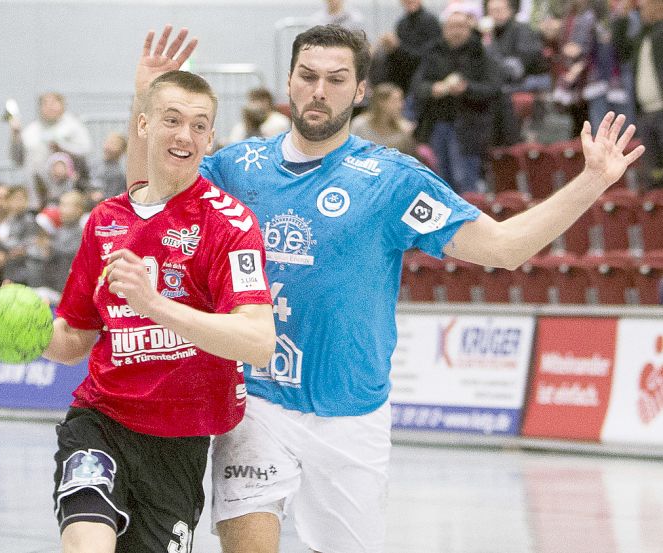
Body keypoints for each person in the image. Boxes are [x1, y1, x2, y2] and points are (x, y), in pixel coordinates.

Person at [128, 25, 643, 553]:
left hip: (353, 415)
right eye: (307, 76)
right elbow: (146, 197)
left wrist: (593, 180)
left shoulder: (392, 180)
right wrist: (143, 103)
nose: (318, 90)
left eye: (335, 79)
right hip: (257, 402)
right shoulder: (239, 167)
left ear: (359, 91)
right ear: (289, 82)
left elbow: (506, 247)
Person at [41, 69, 275, 553]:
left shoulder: (229, 224)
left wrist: (155, 306)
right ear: (143, 125)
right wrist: (27, 333)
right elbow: (74, 340)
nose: (185, 135)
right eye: (172, 120)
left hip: (179, 441)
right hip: (100, 420)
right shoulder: (106, 221)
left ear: (210, 138)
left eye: (198, 124)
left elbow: (259, 342)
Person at [412, 2, 504, 194]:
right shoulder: (432, 52)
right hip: (437, 124)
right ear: (444, 29)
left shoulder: (482, 53)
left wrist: (467, 89)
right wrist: (433, 89)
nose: (456, 32)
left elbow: (494, 88)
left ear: (469, 28)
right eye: (452, 27)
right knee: (440, 180)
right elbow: (417, 86)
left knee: (465, 180)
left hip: (469, 127)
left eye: (461, 27)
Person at [613, 0, 663, 188]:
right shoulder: (644, 37)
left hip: (660, 111)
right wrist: (622, 17)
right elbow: (621, 48)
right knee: (653, 176)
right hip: (646, 113)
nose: (641, 6)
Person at [9, 91, 93, 204]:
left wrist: (62, 147)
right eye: (45, 103)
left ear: (63, 105)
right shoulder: (31, 130)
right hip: (37, 193)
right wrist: (16, 136)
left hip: (68, 193)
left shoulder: (73, 126)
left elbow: (85, 150)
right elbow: (17, 159)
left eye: (54, 103)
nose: (49, 106)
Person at [350, 82, 418, 156]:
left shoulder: (404, 129)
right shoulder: (359, 124)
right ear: (381, 102)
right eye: (395, 100)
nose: (401, 105)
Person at [227, 87, 292, 144]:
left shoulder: (280, 122)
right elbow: (234, 141)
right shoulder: (241, 126)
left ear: (267, 101)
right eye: (252, 101)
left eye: (258, 101)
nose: (255, 105)